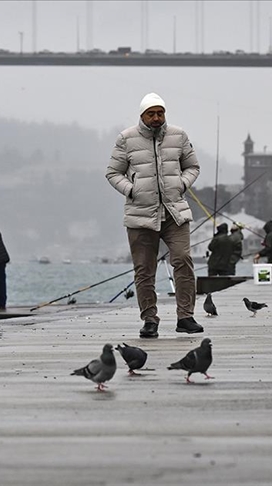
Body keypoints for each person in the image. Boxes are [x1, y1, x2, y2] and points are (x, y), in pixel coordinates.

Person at [105, 92, 202, 339]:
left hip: (174, 212)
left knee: (183, 260)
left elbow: (193, 166)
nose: (157, 117)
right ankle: (149, 320)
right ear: (142, 115)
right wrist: (131, 189)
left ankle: (186, 317)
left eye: (160, 112)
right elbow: (113, 173)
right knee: (144, 270)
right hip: (140, 215)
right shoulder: (126, 139)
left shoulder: (179, 136)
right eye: (152, 113)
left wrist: (181, 184)